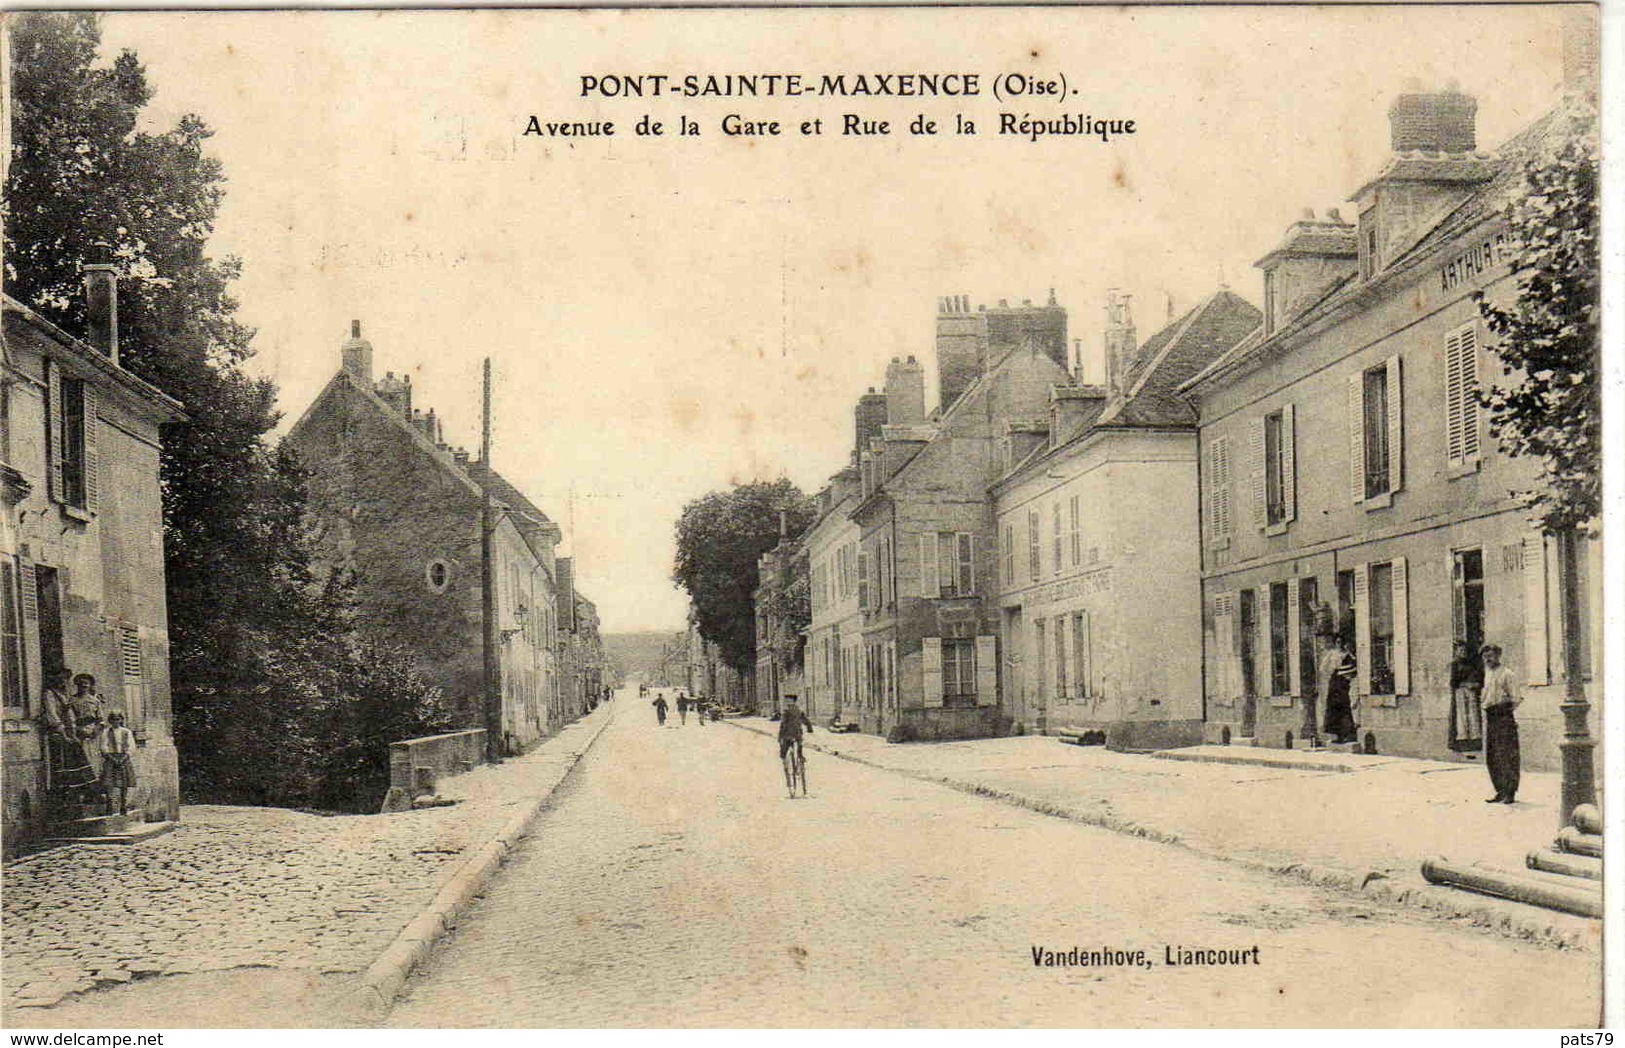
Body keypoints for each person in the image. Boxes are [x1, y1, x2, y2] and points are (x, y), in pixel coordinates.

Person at [1480, 644, 1521, 803]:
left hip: (1503, 716)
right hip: (1490, 716)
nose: (1487, 659)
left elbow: (1516, 698)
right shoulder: (1487, 674)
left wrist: (1504, 709)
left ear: (1498, 656)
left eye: (1490, 656)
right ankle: (1500, 790)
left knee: (1507, 755)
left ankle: (1510, 792)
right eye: (1485, 657)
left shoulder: (1507, 674)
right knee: (1493, 756)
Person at [1320, 635, 1358, 745]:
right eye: (1337, 642)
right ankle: (1335, 735)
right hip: (1334, 681)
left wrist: (1347, 675)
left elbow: (1354, 668)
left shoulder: (1347, 654)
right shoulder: (1332, 654)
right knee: (1333, 707)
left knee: (1344, 706)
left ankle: (1347, 734)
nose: (1339, 644)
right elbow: (1323, 668)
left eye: (1341, 642)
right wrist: (1332, 671)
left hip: (1344, 682)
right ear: (1335, 643)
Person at [1448, 639, 1484, 752]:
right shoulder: (1455, 664)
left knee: (1473, 715)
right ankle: (1462, 740)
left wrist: (1475, 684)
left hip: (1472, 691)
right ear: (1456, 651)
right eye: (1461, 650)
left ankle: (1475, 739)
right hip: (1460, 692)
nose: (1463, 652)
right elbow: (1453, 682)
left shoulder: (1471, 663)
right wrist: (1464, 684)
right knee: (1462, 716)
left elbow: (1478, 676)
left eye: (1464, 650)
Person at [100, 711, 139, 815]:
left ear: (121, 720)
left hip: (124, 758)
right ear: (110, 721)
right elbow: (104, 746)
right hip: (111, 758)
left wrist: (124, 757)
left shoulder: (126, 731)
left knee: (124, 783)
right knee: (109, 783)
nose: (115, 722)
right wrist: (111, 757)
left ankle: (123, 805)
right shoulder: (106, 732)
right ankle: (110, 806)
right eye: (113, 719)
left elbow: (131, 746)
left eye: (118, 719)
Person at [777, 694, 813, 767]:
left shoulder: (786, 711)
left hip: (788, 734)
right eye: (787, 700)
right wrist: (809, 728)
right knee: (799, 745)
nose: (787, 702)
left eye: (788, 700)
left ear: (793, 701)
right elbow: (805, 720)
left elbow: (783, 724)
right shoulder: (799, 710)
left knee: (784, 747)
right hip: (797, 733)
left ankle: (785, 761)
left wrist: (780, 736)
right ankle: (800, 757)